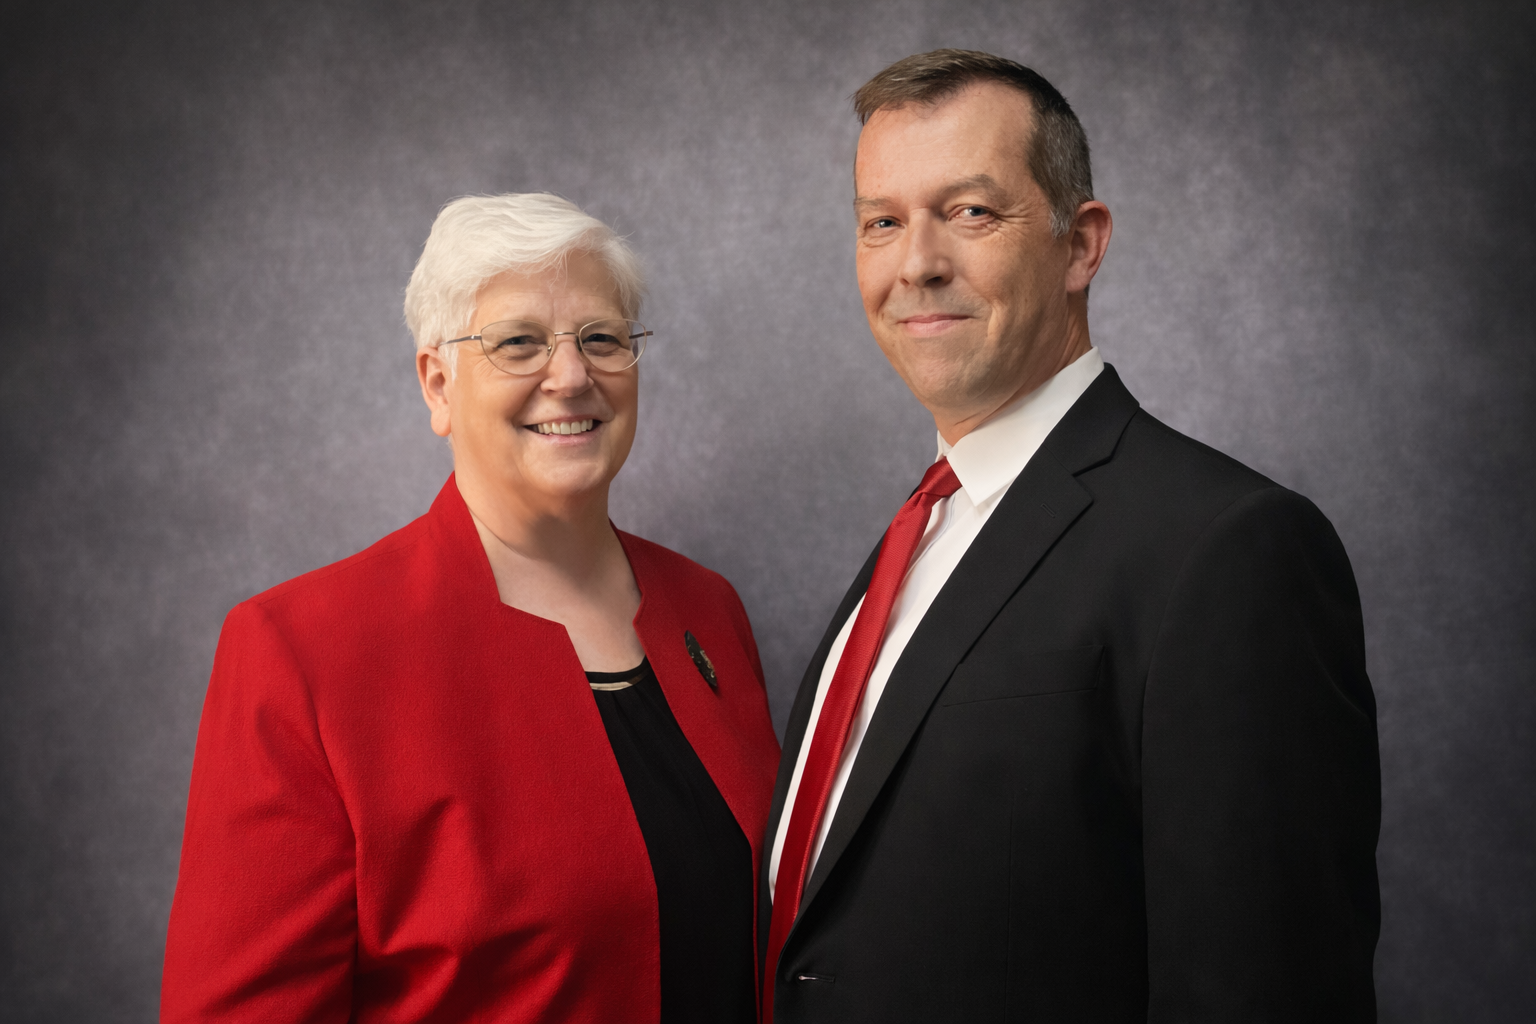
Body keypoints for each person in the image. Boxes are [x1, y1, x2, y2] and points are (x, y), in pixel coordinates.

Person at [760, 50, 1380, 1022]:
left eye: (969, 212)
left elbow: (1264, 990)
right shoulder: (915, 538)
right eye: (882, 221)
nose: (916, 262)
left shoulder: (1227, 550)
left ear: (1080, 245)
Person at [161, 193, 780, 1023]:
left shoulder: (707, 610)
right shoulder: (301, 653)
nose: (570, 375)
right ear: (438, 383)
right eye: (518, 343)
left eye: (600, 338)